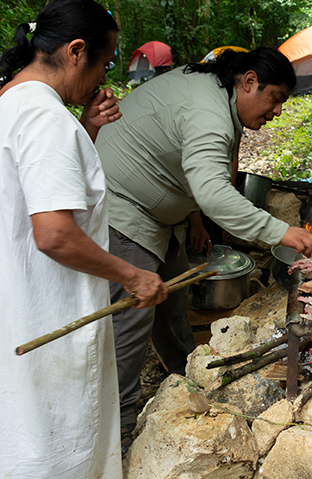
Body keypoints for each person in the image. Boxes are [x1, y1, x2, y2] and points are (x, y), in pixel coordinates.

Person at [95, 46, 312, 450]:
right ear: (249, 81)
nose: (278, 111)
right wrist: (281, 232)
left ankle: (186, 376)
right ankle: (117, 431)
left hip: (155, 210)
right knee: (130, 323)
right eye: (276, 98)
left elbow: (192, 163)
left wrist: (192, 217)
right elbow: (215, 192)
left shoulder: (217, 95)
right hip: (122, 207)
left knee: (173, 298)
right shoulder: (210, 113)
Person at [0, 0, 167, 477]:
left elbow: (45, 192)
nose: (105, 76)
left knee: (20, 434)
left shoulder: (12, 99)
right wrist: (133, 275)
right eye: (106, 61)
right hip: (47, 311)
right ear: (76, 51)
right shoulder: (45, 118)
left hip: (17, 306)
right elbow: (54, 233)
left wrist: (88, 127)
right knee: (55, 446)